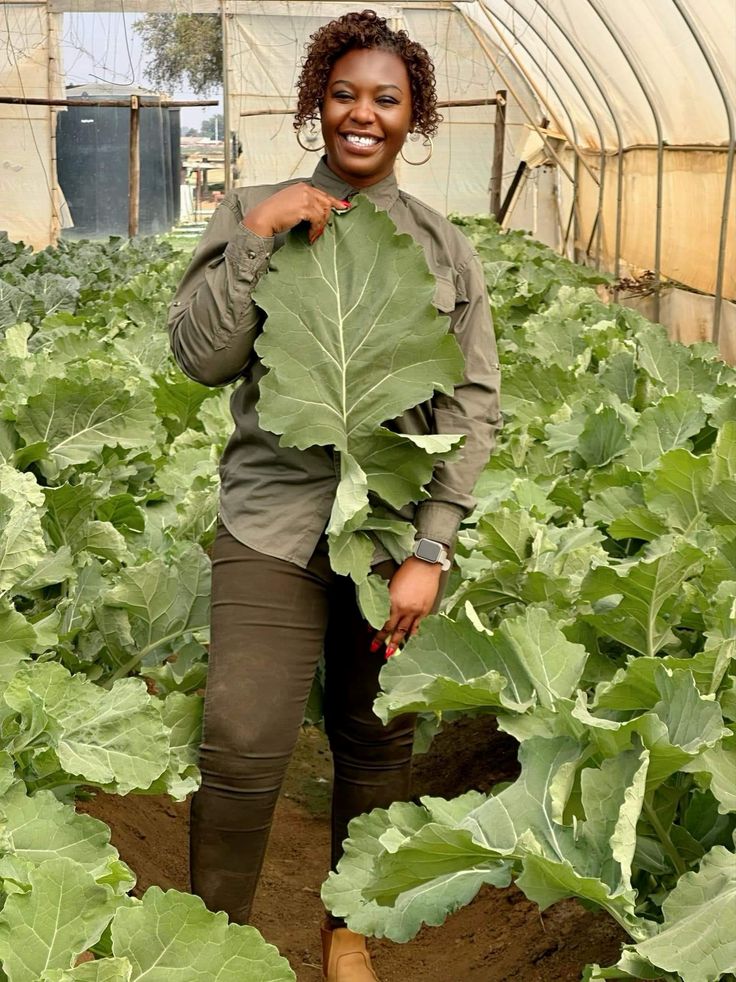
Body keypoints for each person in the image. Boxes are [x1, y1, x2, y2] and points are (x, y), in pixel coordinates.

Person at [168, 10, 501, 981]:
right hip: (271, 517)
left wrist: (431, 547)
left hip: (391, 535)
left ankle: (346, 930)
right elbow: (199, 359)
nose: (363, 114)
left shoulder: (440, 245)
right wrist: (257, 237)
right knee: (241, 738)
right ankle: (215, 940)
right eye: (344, 94)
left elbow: (472, 403)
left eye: (385, 99)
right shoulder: (253, 210)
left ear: (412, 117)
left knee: (375, 734)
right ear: (317, 103)